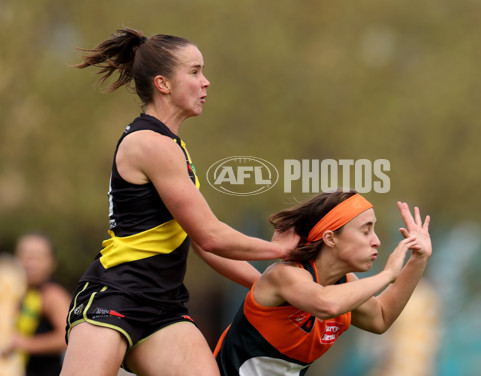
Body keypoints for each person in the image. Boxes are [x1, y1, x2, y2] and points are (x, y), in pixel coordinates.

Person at [59, 27, 298, 376]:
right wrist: (282, 251)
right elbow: (211, 236)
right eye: (195, 71)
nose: (206, 82)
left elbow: (204, 246)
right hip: (115, 294)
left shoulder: (174, 147)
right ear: (163, 84)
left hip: (163, 307)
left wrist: (265, 285)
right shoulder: (150, 143)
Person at [213, 190, 433, 375]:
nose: (376, 241)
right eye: (365, 231)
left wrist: (418, 259)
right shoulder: (286, 275)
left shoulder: (343, 284)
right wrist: (387, 275)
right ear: (330, 238)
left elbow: (381, 318)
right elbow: (326, 304)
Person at [11, 232, 71, 376]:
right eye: (25, 256)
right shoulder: (12, 291)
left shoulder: (53, 295)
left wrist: (25, 344)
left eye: (38, 257)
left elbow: (67, 337)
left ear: (51, 262)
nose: (30, 263)